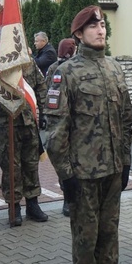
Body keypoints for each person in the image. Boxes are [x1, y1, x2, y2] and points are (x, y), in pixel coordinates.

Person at [44, 5, 132, 264]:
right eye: (93, 26)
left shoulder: (114, 68)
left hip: (112, 168)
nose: (100, 30)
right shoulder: (64, 73)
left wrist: (125, 162)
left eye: (102, 25)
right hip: (83, 172)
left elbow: (126, 120)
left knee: (109, 232)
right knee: (86, 234)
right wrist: (65, 175)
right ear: (79, 34)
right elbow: (55, 129)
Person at [0, 50, 48, 226]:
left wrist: (44, 111)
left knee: (31, 164)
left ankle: (33, 205)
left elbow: (41, 86)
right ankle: (14, 207)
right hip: (7, 123)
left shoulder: (29, 62)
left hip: (29, 122)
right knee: (11, 166)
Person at [43, 37, 77, 217]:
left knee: (64, 159)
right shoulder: (68, 69)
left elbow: (47, 92)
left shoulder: (52, 68)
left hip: (57, 118)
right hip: (67, 121)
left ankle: (68, 200)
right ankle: (68, 201)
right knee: (67, 159)